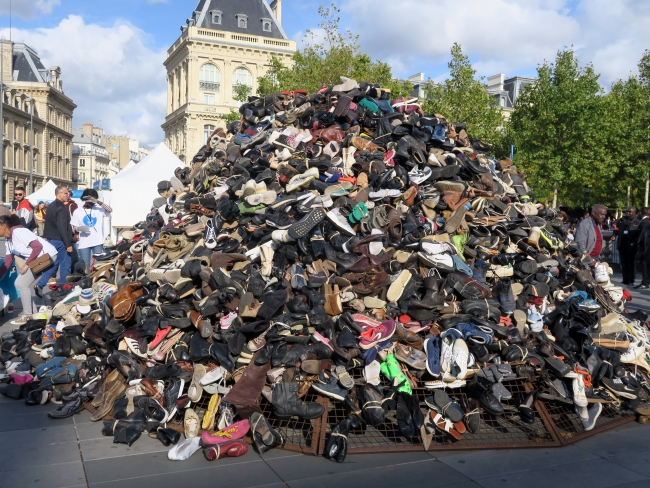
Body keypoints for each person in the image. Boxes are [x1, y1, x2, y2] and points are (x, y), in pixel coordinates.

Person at [0, 214, 57, 324]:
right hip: (39, 258)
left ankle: (27, 316)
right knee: (18, 283)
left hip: (47, 256)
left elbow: (38, 246)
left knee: (22, 283)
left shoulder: (18, 232)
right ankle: (34, 314)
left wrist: (27, 264)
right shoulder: (8, 241)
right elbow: (7, 262)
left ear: (4, 225)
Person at [36, 185, 73, 295]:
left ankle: (40, 285)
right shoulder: (61, 208)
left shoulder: (51, 206)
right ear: (59, 194)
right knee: (65, 265)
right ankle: (65, 290)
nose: (68, 195)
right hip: (61, 240)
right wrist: (68, 244)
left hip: (51, 239)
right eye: (66, 193)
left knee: (52, 265)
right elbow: (62, 227)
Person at [71, 188, 112, 271]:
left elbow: (110, 210)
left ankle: (96, 281)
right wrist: (78, 229)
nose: (92, 201)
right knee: (85, 267)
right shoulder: (78, 211)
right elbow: (73, 229)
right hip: (84, 243)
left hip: (98, 241)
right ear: (85, 199)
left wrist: (97, 201)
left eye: (93, 199)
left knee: (99, 265)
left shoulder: (99, 209)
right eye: (90, 199)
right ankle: (86, 282)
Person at [616, 207, 641, 285]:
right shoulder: (621, 220)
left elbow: (639, 234)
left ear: (634, 213)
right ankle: (625, 279)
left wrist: (635, 242)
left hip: (631, 245)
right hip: (622, 244)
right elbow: (616, 229)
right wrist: (614, 234)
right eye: (627, 211)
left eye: (630, 212)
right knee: (624, 263)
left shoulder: (638, 222)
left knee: (631, 263)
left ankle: (631, 280)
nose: (628, 213)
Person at [635, 208, 650, 289]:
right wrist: (641, 252)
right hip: (648, 256)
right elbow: (640, 242)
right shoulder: (647, 227)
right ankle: (645, 282)